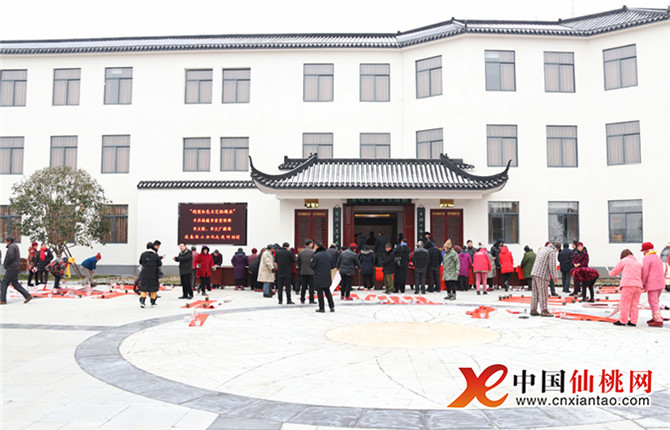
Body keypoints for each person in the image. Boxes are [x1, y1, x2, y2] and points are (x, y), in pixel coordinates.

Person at [609, 249, 643, 326]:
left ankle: (623, 321)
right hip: (638, 286)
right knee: (635, 304)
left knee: (625, 303)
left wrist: (610, 273)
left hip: (627, 285)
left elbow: (614, 271)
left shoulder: (624, 261)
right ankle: (633, 321)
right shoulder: (638, 263)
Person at [530, 242, 561, 317]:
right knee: (543, 293)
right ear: (558, 248)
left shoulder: (543, 249)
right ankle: (544, 310)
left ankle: (533, 309)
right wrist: (555, 276)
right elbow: (552, 265)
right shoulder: (552, 252)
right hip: (542, 274)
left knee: (535, 293)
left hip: (534, 272)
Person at [0, 237, 32, 305]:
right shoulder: (15, 246)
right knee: (15, 283)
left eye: (5, 241)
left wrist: (6, 264)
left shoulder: (11, 247)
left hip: (11, 267)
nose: (5, 243)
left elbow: (10, 257)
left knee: (4, 283)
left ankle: (3, 299)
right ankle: (27, 295)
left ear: (9, 241)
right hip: (15, 267)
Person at [641, 242, 665, 327]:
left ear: (645, 250)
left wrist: (642, 283)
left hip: (652, 284)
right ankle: (655, 317)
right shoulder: (657, 257)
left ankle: (658, 320)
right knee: (656, 301)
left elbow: (645, 272)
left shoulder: (647, 258)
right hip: (661, 283)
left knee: (653, 301)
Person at [310, 240, 335, 313]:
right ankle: (332, 306)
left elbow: (312, 265)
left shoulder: (316, 255)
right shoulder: (328, 254)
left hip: (319, 276)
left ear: (317, 246)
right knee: (328, 292)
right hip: (327, 275)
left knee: (320, 293)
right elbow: (332, 264)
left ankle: (322, 308)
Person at [139, 241, 162, 308]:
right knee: (153, 288)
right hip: (153, 274)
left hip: (145, 273)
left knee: (143, 287)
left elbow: (140, 262)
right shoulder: (155, 255)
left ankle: (142, 301)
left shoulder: (143, 254)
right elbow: (159, 264)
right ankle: (153, 302)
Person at [297, 239, 316, 304]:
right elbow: (315, 261)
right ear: (310, 244)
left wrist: (301, 267)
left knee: (303, 286)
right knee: (311, 287)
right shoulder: (313, 252)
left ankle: (302, 299)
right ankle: (311, 300)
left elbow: (297, 261)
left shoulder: (301, 252)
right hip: (311, 272)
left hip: (303, 271)